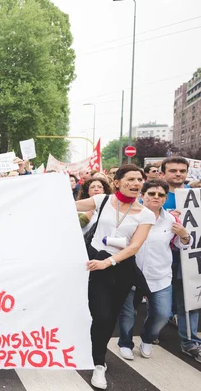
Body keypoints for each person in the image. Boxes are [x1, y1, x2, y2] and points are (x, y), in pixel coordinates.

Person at [74, 164, 154, 390]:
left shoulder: (146, 214)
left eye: (139, 179)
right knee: (100, 314)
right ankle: (93, 356)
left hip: (120, 269)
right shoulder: (102, 200)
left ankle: (99, 364)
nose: (136, 183)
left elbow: (134, 247)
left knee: (109, 318)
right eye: (130, 179)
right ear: (117, 182)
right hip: (94, 264)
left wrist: (108, 262)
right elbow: (67, 207)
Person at [117, 179, 192, 360]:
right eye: (151, 193)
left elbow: (183, 245)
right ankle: (125, 343)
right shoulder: (129, 217)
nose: (155, 197)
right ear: (142, 196)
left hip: (160, 276)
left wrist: (184, 235)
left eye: (160, 195)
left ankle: (148, 338)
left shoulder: (172, 220)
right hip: (131, 275)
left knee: (162, 314)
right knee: (127, 313)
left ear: (166, 198)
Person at [160, 157, 201, 361]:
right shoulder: (154, 195)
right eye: (173, 170)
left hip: (190, 256)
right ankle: (153, 332)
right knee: (160, 301)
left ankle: (190, 341)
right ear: (163, 173)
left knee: (190, 299)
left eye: (182, 171)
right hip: (161, 258)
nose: (178, 174)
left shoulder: (197, 196)